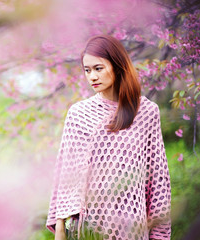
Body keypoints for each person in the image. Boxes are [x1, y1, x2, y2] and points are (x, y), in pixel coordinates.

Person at [46, 35, 171, 240]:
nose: (92, 77)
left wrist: (158, 234)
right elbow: (66, 176)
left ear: (117, 66)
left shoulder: (147, 112)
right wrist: (60, 227)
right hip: (86, 227)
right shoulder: (78, 113)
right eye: (87, 70)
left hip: (131, 226)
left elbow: (157, 182)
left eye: (98, 68)